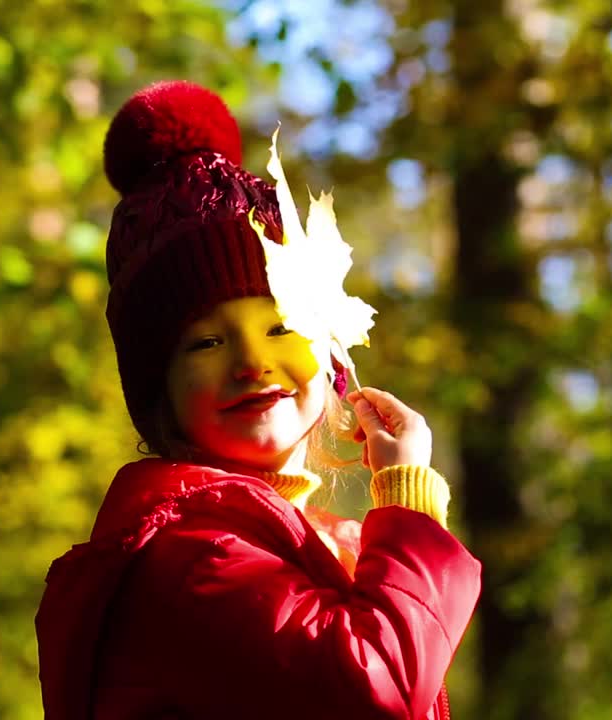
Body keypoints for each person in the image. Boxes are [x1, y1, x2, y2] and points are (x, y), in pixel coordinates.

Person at [35, 80, 481, 720]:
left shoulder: (324, 547)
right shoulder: (189, 556)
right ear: (158, 390)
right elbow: (373, 686)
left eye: (280, 329)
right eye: (207, 343)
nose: (252, 363)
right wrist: (406, 499)